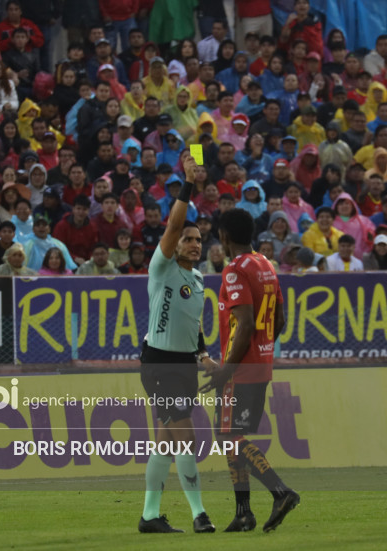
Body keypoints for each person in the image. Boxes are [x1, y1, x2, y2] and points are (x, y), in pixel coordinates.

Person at [201, 208, 300, 533]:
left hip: (240, 368)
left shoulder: (234, 270)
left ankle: (280, 491)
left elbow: (244, 324)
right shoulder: (266, 265)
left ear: (224, 236)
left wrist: (226, 370)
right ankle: (243, 513)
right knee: (233, 436)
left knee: (227, 437)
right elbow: (280, 319)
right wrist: (262, 349)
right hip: (261, 365)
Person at [137, 154, 214, 534]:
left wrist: (203, 354)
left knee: (165, 444)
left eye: (198, 240)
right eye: (188, 239)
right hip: (159, 365)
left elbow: (192, 323)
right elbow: (173, 224)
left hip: (184, 366)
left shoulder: (198, 279)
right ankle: (199, 515)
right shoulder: (162, 268)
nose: (194, 244)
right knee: (187, 437)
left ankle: (149, 517)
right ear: (175, 243)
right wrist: (189, 183)